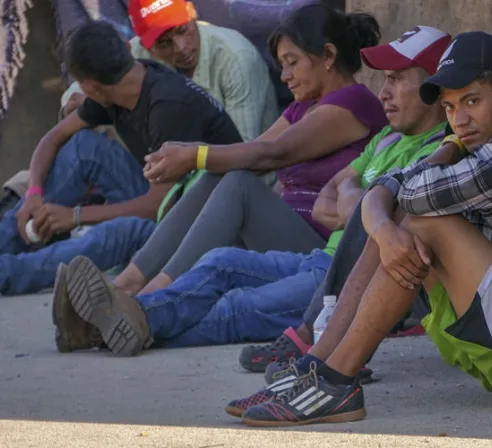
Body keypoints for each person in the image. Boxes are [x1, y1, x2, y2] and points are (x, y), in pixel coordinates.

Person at [228, 31, 492, 427]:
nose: (460, 120)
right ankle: (316, 368)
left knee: (422, 223)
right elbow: (384, 190)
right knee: (400, 225)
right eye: (450, 107)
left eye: (472, 101)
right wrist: (384, 227)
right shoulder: (480, 138)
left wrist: (434, 162)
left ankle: (336, 382)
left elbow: (405, 193)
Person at [54, 26, 453, 359]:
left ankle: (116, 319)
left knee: (237, 304)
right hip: (321, 255)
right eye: (384, 79)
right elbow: (332, 197)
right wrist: (360, 203)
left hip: (345, 275)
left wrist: (196, 154)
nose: (384, 92)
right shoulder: (386, 137)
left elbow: (275, 157)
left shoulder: (437, 146)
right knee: (220, 262)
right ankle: (123, 307)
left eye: (397, 79)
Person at [93, 4, 387, 299]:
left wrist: (195, 155)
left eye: (292, 62)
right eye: (282, 64)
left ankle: (153, 295)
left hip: (322, 251)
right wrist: (187, 152)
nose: (285, 76)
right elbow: (253, 152)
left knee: (236, 183)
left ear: (329, 56)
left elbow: (271, 154)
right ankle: (128, 283)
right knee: (219, 176)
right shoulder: (304, 106)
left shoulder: (352, 103)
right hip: (284, 231)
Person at [0, 21, 243, 296]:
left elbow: (157, 208)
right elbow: (53, 138)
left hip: (201, 228)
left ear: (90, 88)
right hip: (170, 203)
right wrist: (33, 193)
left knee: (122, 231)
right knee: (83, 146)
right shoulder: (127, 82)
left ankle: (7, 274)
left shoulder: (169, 107)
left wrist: (76, 216)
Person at [0, 0, 282, 213]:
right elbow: (73, 100)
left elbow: (247, 160)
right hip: (157, 183)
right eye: (164, 43)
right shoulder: (133, 54)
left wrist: (77, 217)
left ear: (192, 13)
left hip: (218, 197)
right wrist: (91, 99)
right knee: (79, 148)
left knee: (114, 235)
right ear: (143, 46)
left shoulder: (235, 59)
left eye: (183, 30)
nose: (181, 47)